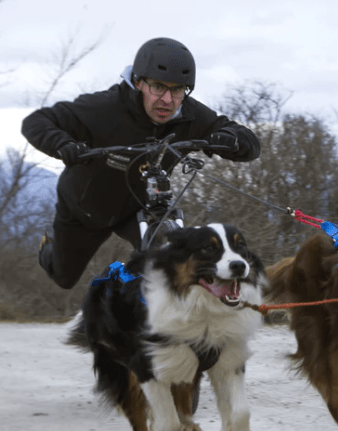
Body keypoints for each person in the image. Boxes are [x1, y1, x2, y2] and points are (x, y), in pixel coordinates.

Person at [22, 37, 260, 290]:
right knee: (64, 277)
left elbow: (250, 143)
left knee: (169, 256)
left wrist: (232, 140)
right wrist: (62, 144)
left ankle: (154, 317)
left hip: (139, 209)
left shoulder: (190, 115)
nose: (167, 100)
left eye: (178, 90)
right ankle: (49, 244)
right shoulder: (103, 108)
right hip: (85, 210)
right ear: (138, 82)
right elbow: (37, 121)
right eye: (158, 87)